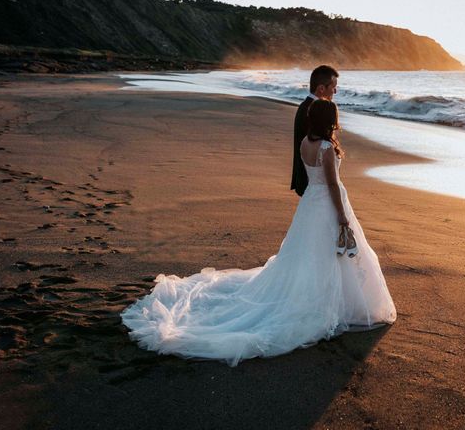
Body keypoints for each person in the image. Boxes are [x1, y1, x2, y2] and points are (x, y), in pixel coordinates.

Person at [120, 99, 396, 367]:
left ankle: (327, 300)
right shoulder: (325, 147)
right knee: (329, 253)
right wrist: (343, 218)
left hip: (310, 203)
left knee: (307, 254)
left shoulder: (305, 143)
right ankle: (336, 305)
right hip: (326, 204)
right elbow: (333, 185)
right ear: (331, 121)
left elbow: (315, 179)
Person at [291, 65, 339, 197]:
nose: (335, 92)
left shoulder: (307, 106)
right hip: (312, 183)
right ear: (321, 88)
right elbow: (313, 147)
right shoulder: (312, 111)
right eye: (333, 87)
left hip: (312, 182)